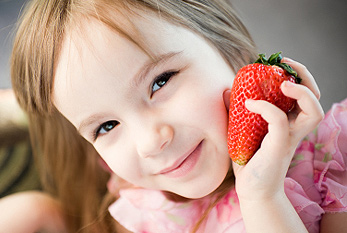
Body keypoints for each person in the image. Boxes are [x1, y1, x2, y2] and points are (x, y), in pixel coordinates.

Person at [1, 0, 346, 232]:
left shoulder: (331, 160)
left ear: (230, 48)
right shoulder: (134, 193)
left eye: (160, 81)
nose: (150, 141)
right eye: (106, 126)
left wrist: (261, 196)